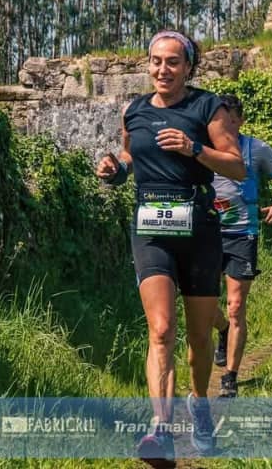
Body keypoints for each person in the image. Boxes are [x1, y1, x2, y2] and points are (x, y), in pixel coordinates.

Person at [96, 31, 245, 462]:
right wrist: (115, 168)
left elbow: (236, 167)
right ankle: (160, 430)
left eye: (173, 62)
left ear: (188, 67)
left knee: (199, 337)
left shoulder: (208, 107)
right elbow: (131, 157)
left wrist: (194, 148)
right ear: (149, 64)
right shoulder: (135, 110)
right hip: (151, 228)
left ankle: (199, 405)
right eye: (156, 61)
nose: (163, 69)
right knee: (161, 330)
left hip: (199, 230)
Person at [211, 94, 272, 398]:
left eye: (233, 121)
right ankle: (222, 330)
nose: (227, 127)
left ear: (241, 121)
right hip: (207, 233)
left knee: (235, 306)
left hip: (243, 234)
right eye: (222, 121)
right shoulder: (202, 149)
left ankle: (230, 376)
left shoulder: (257, 149)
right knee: (204, 306)